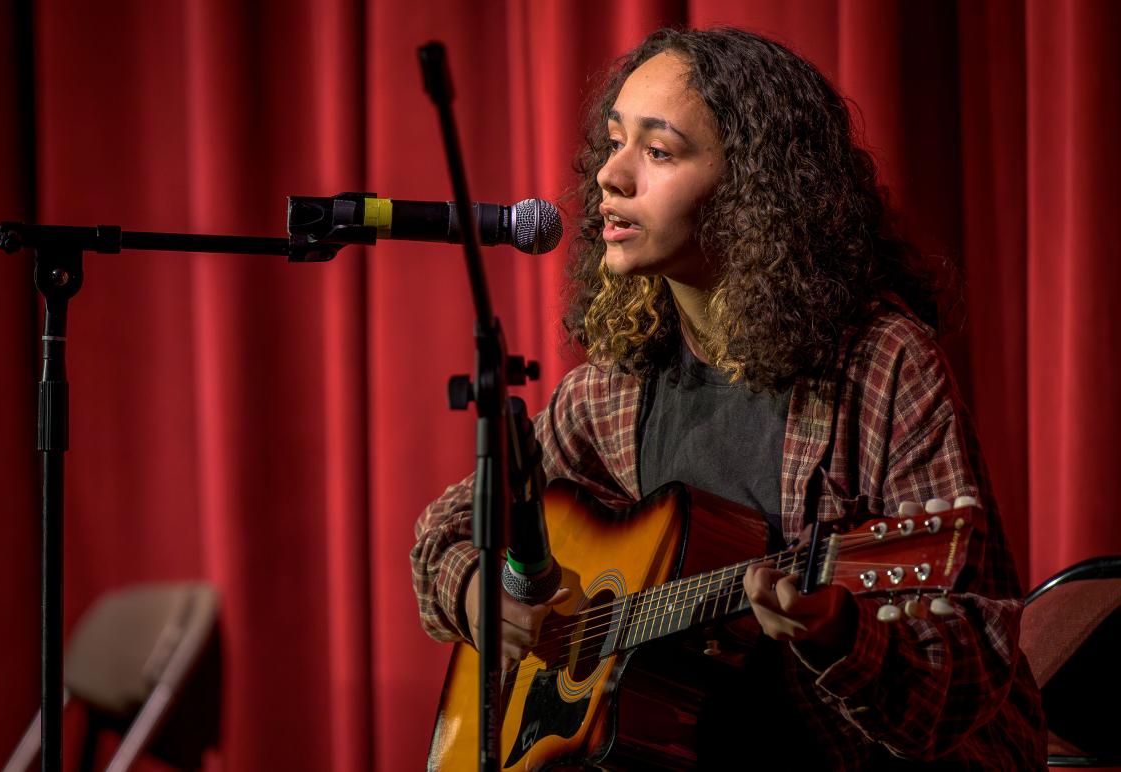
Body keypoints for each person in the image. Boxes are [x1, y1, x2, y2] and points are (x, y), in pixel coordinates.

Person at [411, 27, 1045, 769]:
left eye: (658, 151)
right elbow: (445, 531)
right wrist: (484, 594)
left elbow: (974, 650)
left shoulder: (879, 366)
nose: (610, 176)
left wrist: (843, 634)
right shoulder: (618, 389)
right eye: (614, 141)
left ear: (755, 187)